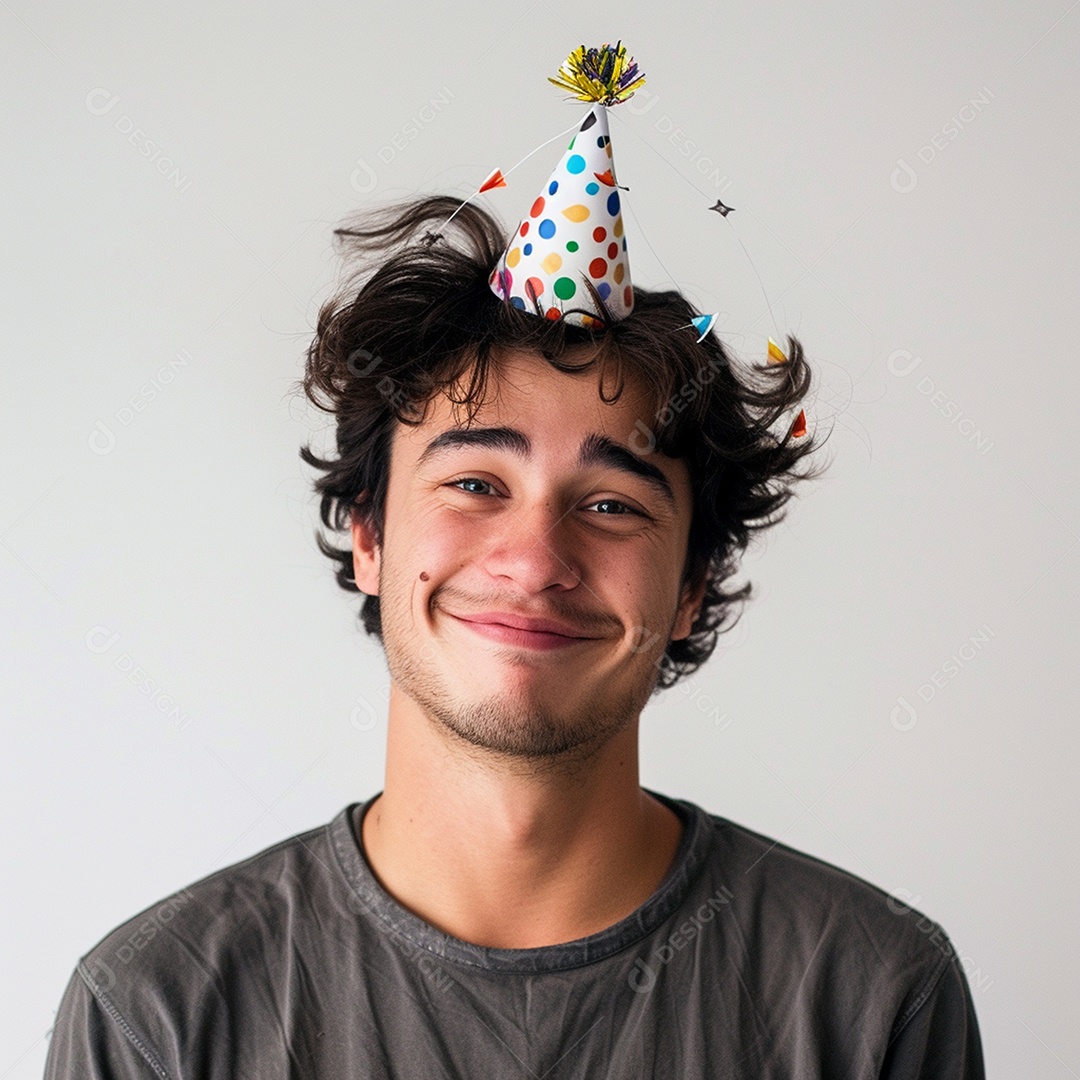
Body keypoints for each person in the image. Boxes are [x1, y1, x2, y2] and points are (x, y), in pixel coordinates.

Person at [44, 44, 985, 1075]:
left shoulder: (871, 998)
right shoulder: (157, 1018)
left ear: (690, 586)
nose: (536, 560)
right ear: (370, 534)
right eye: (476, 484)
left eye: (612, 504)